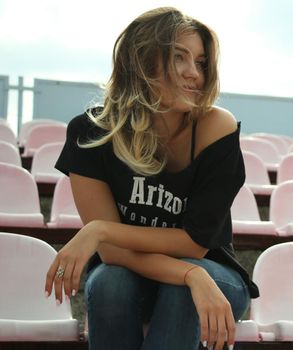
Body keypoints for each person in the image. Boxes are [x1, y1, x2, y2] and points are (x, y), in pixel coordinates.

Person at [44, 7, 259, 350]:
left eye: (201, 62)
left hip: (214, 274)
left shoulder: (215, 128)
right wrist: (189, 274)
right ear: (142, 62)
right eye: (179, 58)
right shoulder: (89, 132)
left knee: (182, 287)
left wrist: (98, 230)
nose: (195, 74)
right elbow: (114, 254)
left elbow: (194, 243)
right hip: (133, 271)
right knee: (110, 281)